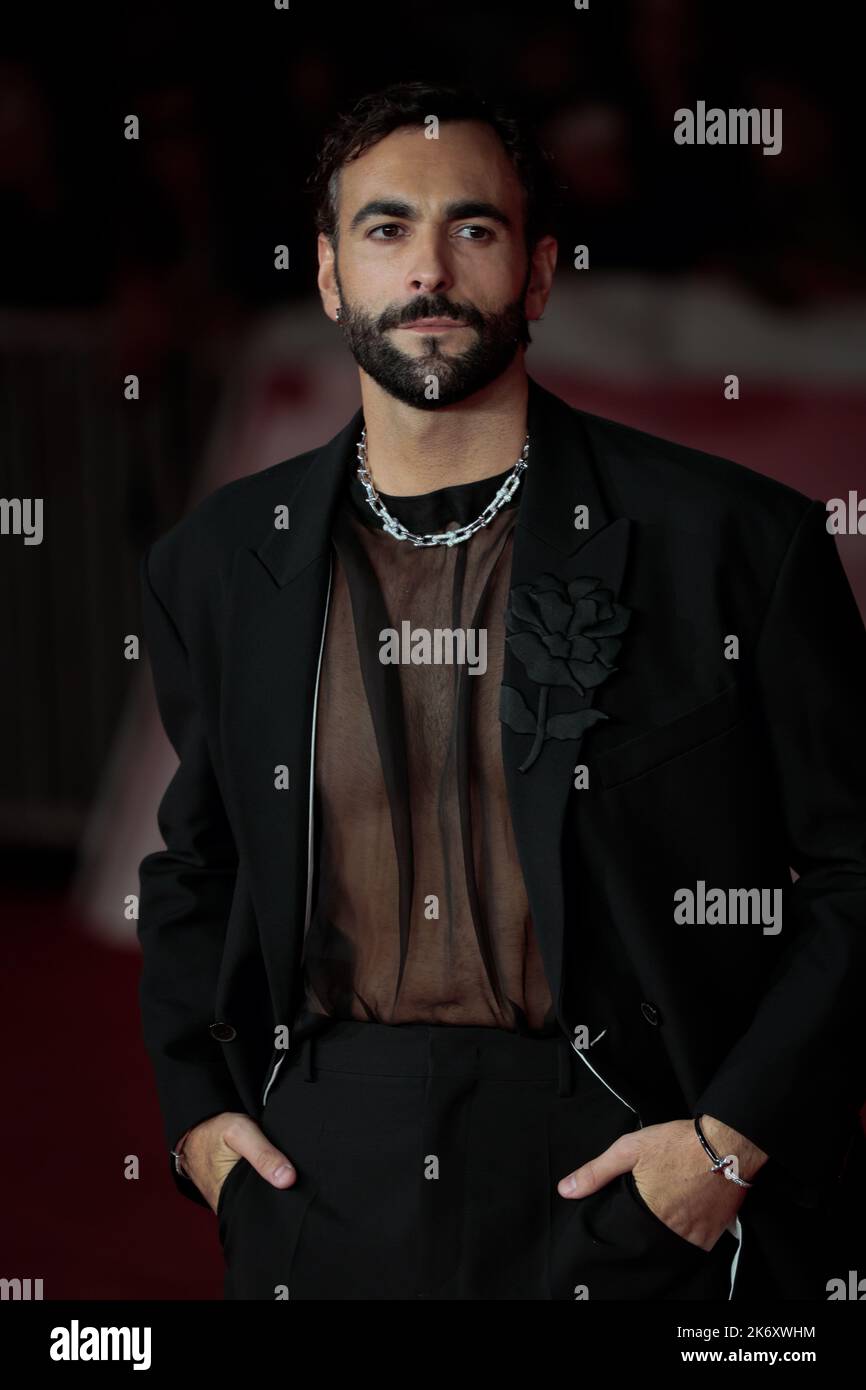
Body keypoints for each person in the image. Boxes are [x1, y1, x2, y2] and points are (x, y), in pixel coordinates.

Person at [137, 80, 866, 1301]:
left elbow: (854, 864)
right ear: (328, 276)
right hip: (321, 1167)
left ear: (535, 275)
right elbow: (195, 868)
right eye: (384, 229)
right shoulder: (215, 564)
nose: (426, 269)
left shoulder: (730, 544)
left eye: (471, 229)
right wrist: (198, 1120)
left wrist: (729, 1139)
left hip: (630, 1144)